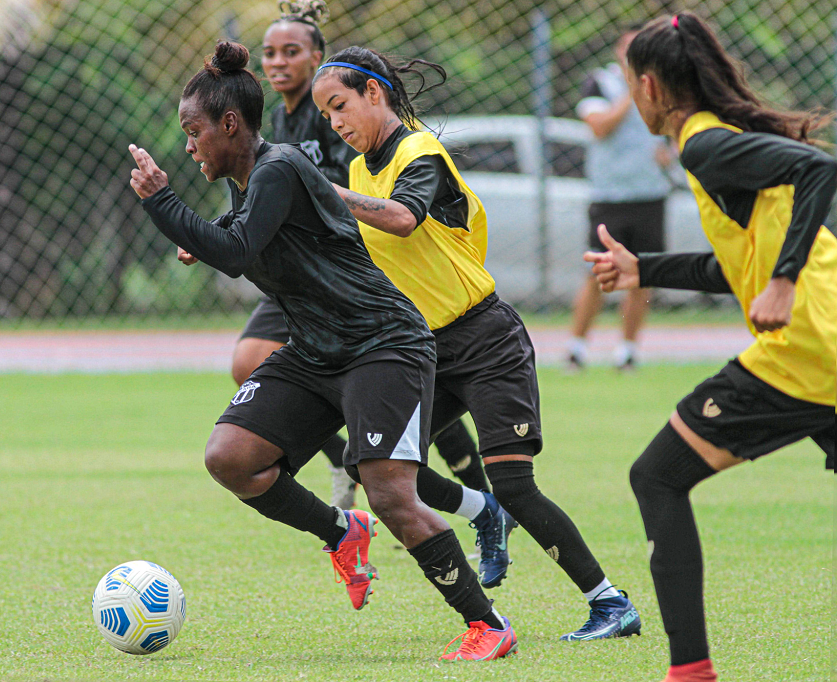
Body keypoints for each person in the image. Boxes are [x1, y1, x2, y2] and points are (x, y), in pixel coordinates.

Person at [130, 40, 517, 661]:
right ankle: (341, 532)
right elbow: (240, 239)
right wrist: (201, 235)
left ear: (230, 124)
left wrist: (161, 199)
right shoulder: (248, 181)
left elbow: (235, 255)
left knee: (391, 492)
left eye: (193, 130)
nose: (189, 145)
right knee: (232, 457)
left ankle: (487, 624)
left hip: (382, 343)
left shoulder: (278, 165)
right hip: (315, 350)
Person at [312, 46, 641, 644]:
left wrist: (325, 191)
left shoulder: (419, 152)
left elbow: (403, 218)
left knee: (515, 482)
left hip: (485, 340)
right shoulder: (360, 171)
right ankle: (482, 513)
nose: (335, 122)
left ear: (375, 94)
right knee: (374, 467)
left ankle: (610, 603)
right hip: (420, 348)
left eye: (340, 106)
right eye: (327, 115)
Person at [585, 13, 836, 682]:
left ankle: (690, 673)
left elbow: (819, 168)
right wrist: (645, 268)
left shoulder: (703, 146)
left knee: (658, 476)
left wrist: (783, 284)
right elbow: (738, 266)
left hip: (808, 351)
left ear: (648, 85)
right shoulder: (720, 145)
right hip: (826, 344)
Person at [234, 0, 489, 510]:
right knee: (248, 362)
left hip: (343, 268)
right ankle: (343, 461)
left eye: (292, 51)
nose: (278, 62)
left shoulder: (338, 109)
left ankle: (471, 492)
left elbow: (367, 194)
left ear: (317, 59)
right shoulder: (275, 123)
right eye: (269, 53)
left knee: (403, 388)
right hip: (299, 267)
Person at [568, 25, 673, 371]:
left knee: (644, 274)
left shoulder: (662, 87)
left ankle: (628, 351)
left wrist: (669, 152)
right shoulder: (600, 83)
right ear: (617, 51)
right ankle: (576, 348)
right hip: (610, 195)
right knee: (598, 271)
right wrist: (632, 90)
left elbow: (671, 129)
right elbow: (600, 126)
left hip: (650, 194)